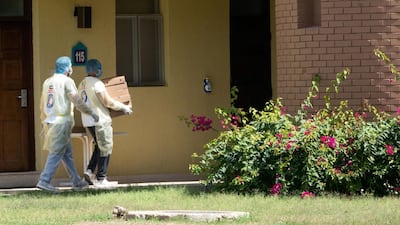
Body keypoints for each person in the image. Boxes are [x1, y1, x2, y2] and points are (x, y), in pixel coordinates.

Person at [37, 56, 100, 192]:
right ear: (67, 68)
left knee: (67, 153)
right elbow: (77, 100)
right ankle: (44, 180)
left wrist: (44, 119)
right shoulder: (67, 81)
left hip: (50, 120)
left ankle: (76, 181)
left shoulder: (48, 82)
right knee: (57, 152)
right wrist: (91, 112)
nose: (71, 68)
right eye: (70, 66)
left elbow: (42, 103)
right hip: (61, 122)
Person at [78, 59, 132, 187]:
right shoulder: (97, 84)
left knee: (99, 146)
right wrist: (123, 107)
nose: (100, 70)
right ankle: (101, 178)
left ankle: (90, 171)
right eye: (99, 68)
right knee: (105, 148)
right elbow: (107, 102)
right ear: (96, 70)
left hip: (88, 120)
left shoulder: (82, 84)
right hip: (100, 120)